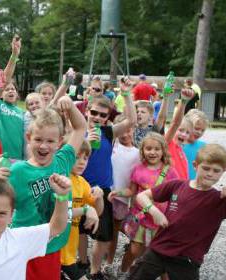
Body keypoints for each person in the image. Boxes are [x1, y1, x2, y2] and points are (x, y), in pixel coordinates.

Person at [129, 144, 226, 280]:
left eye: (216, 171)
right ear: (195, 165)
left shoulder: (221, 200)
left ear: (223, 171)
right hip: (158, 251)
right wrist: (154, 212)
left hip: (187, 260)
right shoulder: (177, 185)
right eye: (206, 168)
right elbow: (141, 196)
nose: (210, 173)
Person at [9, 94, 87, 280]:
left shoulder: (63, 160)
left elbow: (80, 127)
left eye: (50, 141)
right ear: (29, 137)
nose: (44, 146)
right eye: (38, 140)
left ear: (60, 141)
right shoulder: (18, 171)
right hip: (26, 247)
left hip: (52, 246)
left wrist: (71, 107)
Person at [81, 78, 135, 280]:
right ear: (87, 110)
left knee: (104, 235)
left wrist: (127, 94)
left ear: (107, 118)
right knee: (77, 233)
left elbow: (131, 121)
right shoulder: (77, 130)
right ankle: (78, 265)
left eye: (102, 115)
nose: (97, 117)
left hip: (102, 189)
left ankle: (94, 271)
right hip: (80, 187)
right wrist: (85, 141)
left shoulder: (108, 132)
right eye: (93, 112)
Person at [108, 133, 179, 278]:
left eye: (156, 149)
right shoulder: (138, 170)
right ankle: (123, 272)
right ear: (143, 151)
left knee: (158, 253)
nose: (152, 152)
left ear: (163, 151)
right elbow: (131, 191)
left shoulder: (170, 171)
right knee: (134, 250)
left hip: (160, 220)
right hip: (140, 218)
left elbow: (177, 192)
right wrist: (118, 192)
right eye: (148, 148)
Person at [59, 139, 103, 280]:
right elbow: (60, 214)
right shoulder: (60, 178)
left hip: (69, 253)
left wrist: (100, 196)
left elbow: (98, 211)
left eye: (85, 158)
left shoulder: (82, 183)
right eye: (77, 157)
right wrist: (85, 209)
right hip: (56, 251)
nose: (82, 161)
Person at [103, 114, 140, 275]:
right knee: (110, 230)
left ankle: (125, 259)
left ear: (133, 130)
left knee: (117, 229)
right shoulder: (111, 146)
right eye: (121, 131)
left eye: (128, 130)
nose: (125, 134)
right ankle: (109, 261)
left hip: (123, 198)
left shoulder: (138, 153)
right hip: (107, 193)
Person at [163, 88, 195, 180]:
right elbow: (175, 123)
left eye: (187, 132)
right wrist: (184, 101)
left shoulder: (181, 150)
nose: (184, 134)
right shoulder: (167, 143)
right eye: (181, 130)